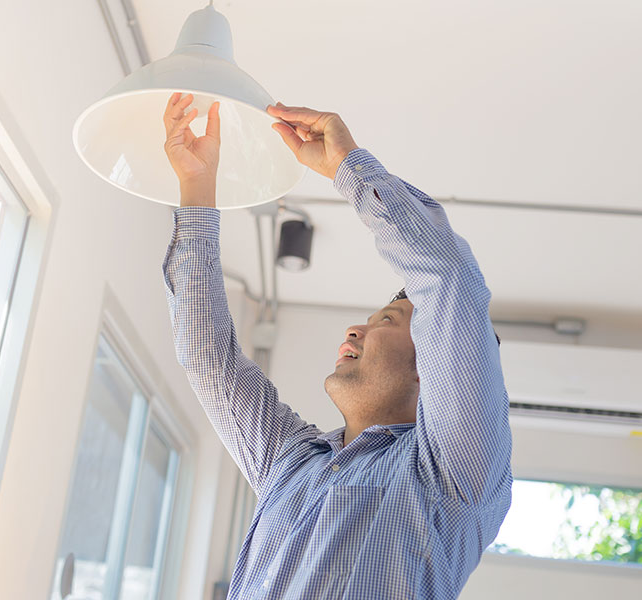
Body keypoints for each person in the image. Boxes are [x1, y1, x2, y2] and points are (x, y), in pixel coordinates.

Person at [161, 92, 512, 599]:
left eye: (386, 320)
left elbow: (448, 277)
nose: (355, 330)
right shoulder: (292, 462)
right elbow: (206, 355)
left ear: (431, 365)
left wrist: (349, 167)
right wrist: (196, 184)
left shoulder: (452, 474)